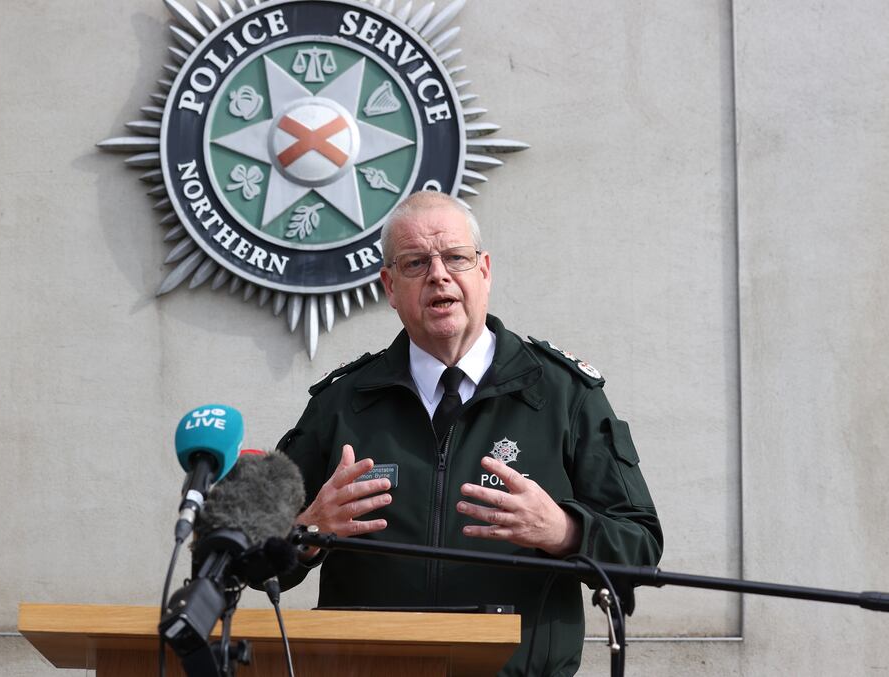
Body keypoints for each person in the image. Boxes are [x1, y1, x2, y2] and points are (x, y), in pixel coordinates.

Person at [277, 191, 662, 676]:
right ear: (389, 287)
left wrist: (564, 532)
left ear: (483, 271)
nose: (439, 274)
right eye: (416, 262)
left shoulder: (565, 396)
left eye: (455, 257)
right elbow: (252, 559)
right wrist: (310, 532)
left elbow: (641, 546)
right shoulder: (341, 404)